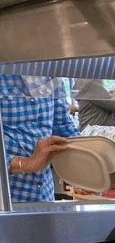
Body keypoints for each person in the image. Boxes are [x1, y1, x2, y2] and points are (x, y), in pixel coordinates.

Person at [1, 74, 80, 202]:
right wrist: (25, 163)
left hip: (44, 196)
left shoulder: (51, 75)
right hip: (7, 197)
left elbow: (62, 126)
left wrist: (90, 156)